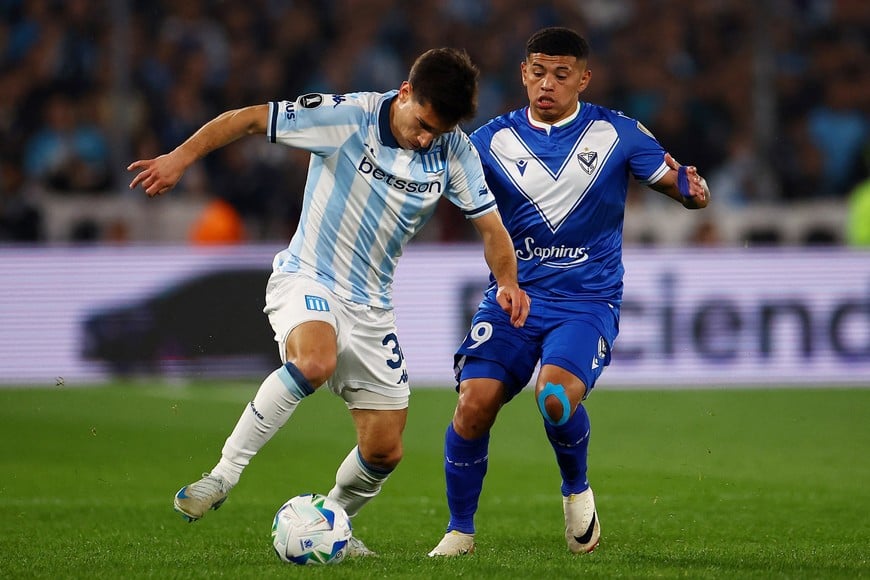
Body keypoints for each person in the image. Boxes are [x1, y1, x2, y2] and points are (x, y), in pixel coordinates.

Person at [128, 47, 530, 556]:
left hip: (371, 306)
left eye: (438, 130)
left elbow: (491, 228)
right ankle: (221, 477)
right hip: (308, 278)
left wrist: (508, 282)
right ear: (405, 93)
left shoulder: (455, 150)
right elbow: (249, 119)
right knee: (313, 362)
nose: (427, 138)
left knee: (385, 449)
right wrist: (178, 158)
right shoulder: (347, 117)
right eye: (423, 123)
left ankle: (330, 520)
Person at [428, 27, 710, 557]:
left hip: (586, 302)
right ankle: (459, 530)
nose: (547, 84)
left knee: (554, 398)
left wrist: (694, 192)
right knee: (473, 404)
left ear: (584, 77)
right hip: (514, 298)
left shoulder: (618, 133)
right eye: (537, 72)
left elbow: (682, 187)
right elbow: (438, 190)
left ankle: (576, 490)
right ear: (523, 74)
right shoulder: (489, 141)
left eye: (561, 74)